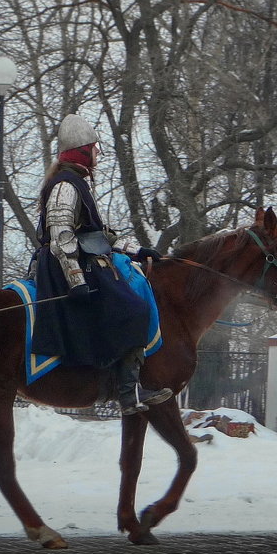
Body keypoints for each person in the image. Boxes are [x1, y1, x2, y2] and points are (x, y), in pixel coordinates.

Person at [31, 114, 172, 415]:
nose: (97, 155)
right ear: (82, 151)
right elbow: (61, 235)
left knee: (131, 302)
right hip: (64, 266)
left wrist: (137, 250)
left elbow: (100, 235)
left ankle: (127, 386)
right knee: (133, 309)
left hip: (84, 260)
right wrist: (76, 279)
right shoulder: (66, 185)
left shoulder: (77, 182)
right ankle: (127, 392)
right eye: (94, 149)